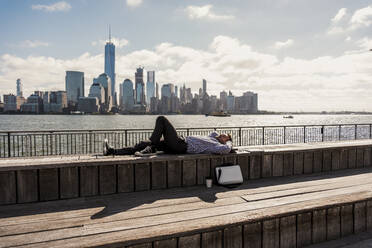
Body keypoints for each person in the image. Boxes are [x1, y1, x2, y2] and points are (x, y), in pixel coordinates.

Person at [103, 116, 233, 156]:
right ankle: (112, 151)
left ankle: (151, 143)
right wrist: (221, 136)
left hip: (181, 145)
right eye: (223, 134)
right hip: (177, 145)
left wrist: (229, 142)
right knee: (143, 144)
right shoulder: (213, 138)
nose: (222, 135)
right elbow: (215, 133)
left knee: (162, 119)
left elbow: (226, 149)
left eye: (225, 137)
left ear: (224, 142)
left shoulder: (217, 146)